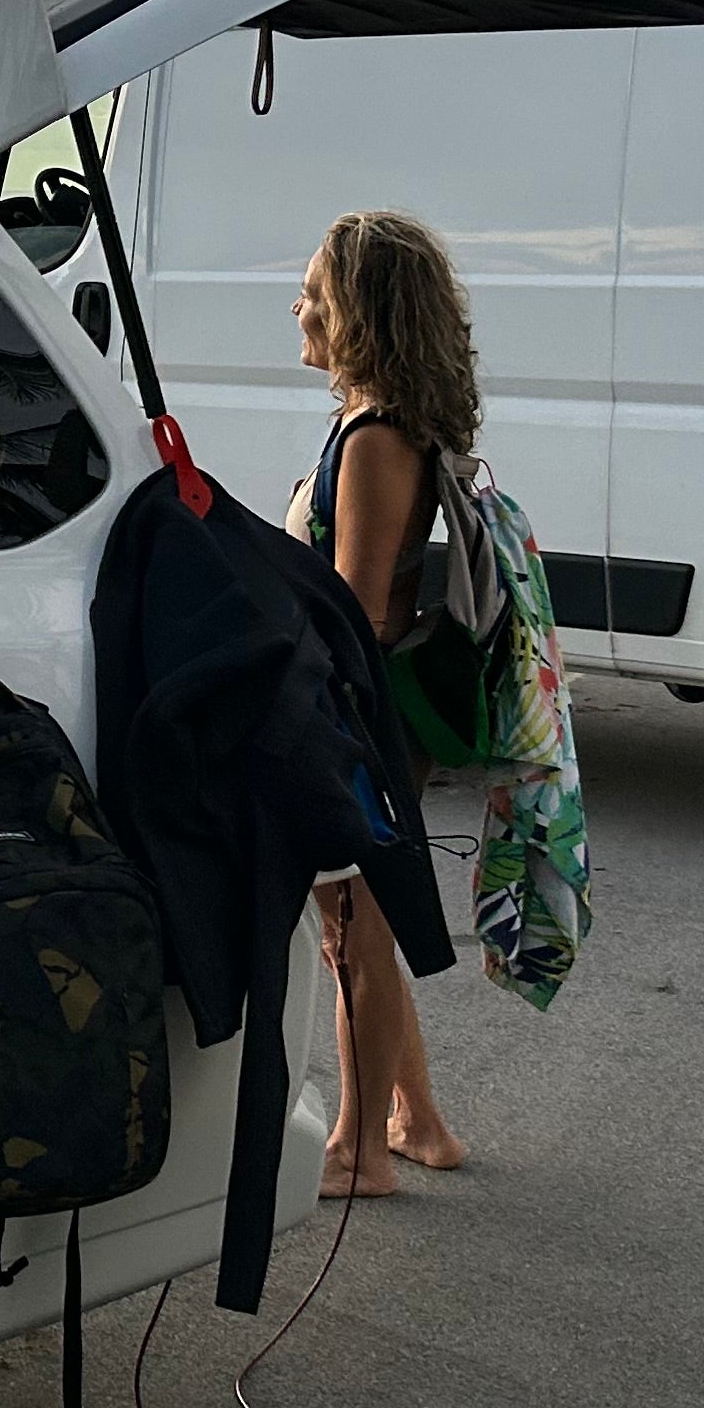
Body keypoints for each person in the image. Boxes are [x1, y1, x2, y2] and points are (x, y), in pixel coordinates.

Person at [289, 210, 481, 1195]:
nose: (298, 309)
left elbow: (357, 608)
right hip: (370, 711)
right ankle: (417, 1123)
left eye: (313, 294)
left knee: (351, 933)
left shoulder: (374, 439)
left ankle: (358, 1151)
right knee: (360, 931)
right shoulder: (382, 425)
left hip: (357, 715)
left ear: (358, 312)